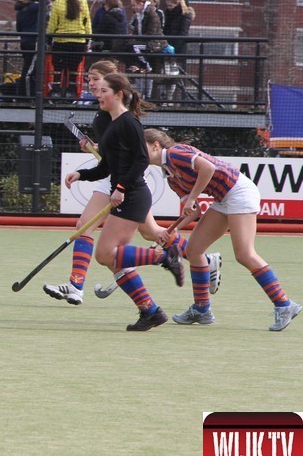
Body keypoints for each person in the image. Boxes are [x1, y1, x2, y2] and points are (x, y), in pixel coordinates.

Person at [44, 60, 219, 306]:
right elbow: (112, 152)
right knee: (148, 232)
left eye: (96, 79)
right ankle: (199, 261)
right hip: (114, 177)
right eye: (89, 79)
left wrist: (117, 179)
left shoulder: (120, 116)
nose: (91, 84)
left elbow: (132, 155)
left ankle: (78, 285)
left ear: (112, 85)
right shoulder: (103, 113)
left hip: (126, 181)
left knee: (97, 231)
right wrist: (94, 150)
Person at [144, 129, 301, 331]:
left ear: (156, 146)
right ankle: (202, 309)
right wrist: (171, 230)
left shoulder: (175, 153)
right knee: (194, 250)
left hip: (238, 191)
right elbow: (193, 211)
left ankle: (284, 304)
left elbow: (207, 168)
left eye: (141, 146)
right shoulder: (171, 177)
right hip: (222, 199)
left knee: (244, 254)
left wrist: (192, 198)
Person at [64, 72, 182, 331]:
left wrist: (120, 187)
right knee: (114, 260)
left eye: (104, 91)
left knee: (105, 254)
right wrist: (81, 174)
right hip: (125, 194)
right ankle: (150, 311)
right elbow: (106, 167)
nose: (98, 95)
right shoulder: (113, 125)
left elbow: (141, 160)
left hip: (132, 195)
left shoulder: (129, 122)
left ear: (118, 94)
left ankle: (165, 256)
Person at [46, 0, 91, 99]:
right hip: (78, 41)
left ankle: (56, 91)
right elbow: (87, 23)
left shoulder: (57, 3)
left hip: (61, 41)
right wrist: (87, 41)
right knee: (73, 68)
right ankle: (72, 92)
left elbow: (52, 24)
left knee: (58, 67)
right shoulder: (83, 3)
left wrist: (49, 41)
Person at [127, 0, 168, 100]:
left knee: (135, 48)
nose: (132, 8)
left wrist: (138, 39)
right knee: (130, 47)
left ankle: (146, 65)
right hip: (144, 42)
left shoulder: (151, 14)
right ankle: (141, 93)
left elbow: (152, 32)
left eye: (134, 5)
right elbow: (137, 29)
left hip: (154, 43)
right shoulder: (138, 15)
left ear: (140, 4)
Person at [160, 0, 195, 102]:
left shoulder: (185, 15)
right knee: (166, 72)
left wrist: (175, 48)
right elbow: (165, 30)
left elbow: (183, 34)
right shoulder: (168, 14)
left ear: (177, 4)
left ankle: (169, 98)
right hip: (167, 47)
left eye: (171, 6)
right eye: (168, 6)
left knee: (173, 73)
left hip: (177, 48)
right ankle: (165, 96)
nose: (169, 8)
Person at [13, 0, 40, 95]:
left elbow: (18, 29)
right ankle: (26, 92)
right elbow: (46, 1)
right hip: (33, 41)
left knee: (27, 65)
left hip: (24, 42)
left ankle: (24, 90)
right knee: (30, 68)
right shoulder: (33, 8)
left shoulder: (20, 12)